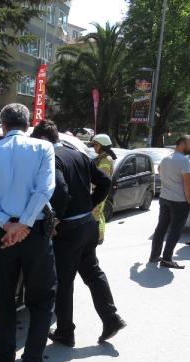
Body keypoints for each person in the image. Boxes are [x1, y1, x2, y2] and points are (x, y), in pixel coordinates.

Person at [0, 104, 57, 362]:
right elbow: (44, 190)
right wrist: (23, 225)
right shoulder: (43, 149)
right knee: (43, 298)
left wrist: (9, 225)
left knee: (4, 297)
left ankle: (5, 358)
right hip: (31, 233)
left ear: (2, 125)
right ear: (28, 123)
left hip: (4, 235)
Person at [31, 121, 126, 347]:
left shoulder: (51, 159)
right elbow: (105, 182)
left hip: (70, 231)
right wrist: (89, 206)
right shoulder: (77, 154)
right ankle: (111, 318)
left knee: (64, 281)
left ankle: (65, 331)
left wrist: (57, 218)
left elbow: (61, 192)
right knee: (93, 272)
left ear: (43, 140)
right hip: (88, 225)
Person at [149, 135, 190, 269]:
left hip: (164, 198)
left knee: (161, 228)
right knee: (175, 230)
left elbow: (159, 170)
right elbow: (188, 183)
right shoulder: (185, 161)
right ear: (181, 144)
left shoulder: (166, 159)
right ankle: (167, 259)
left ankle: (154, 256)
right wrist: (189, 200)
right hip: (179, 201)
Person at [90, 134, 117, 243]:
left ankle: (97, 237)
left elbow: (102, 179)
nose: (94, 147)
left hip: (99, 191)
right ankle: (100, 236)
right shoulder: (102, 157)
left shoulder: (105, 160)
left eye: (96, 145)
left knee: (96, 213)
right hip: (99, 191)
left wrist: (93, 191)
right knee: (99, 213)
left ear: (103, 146)